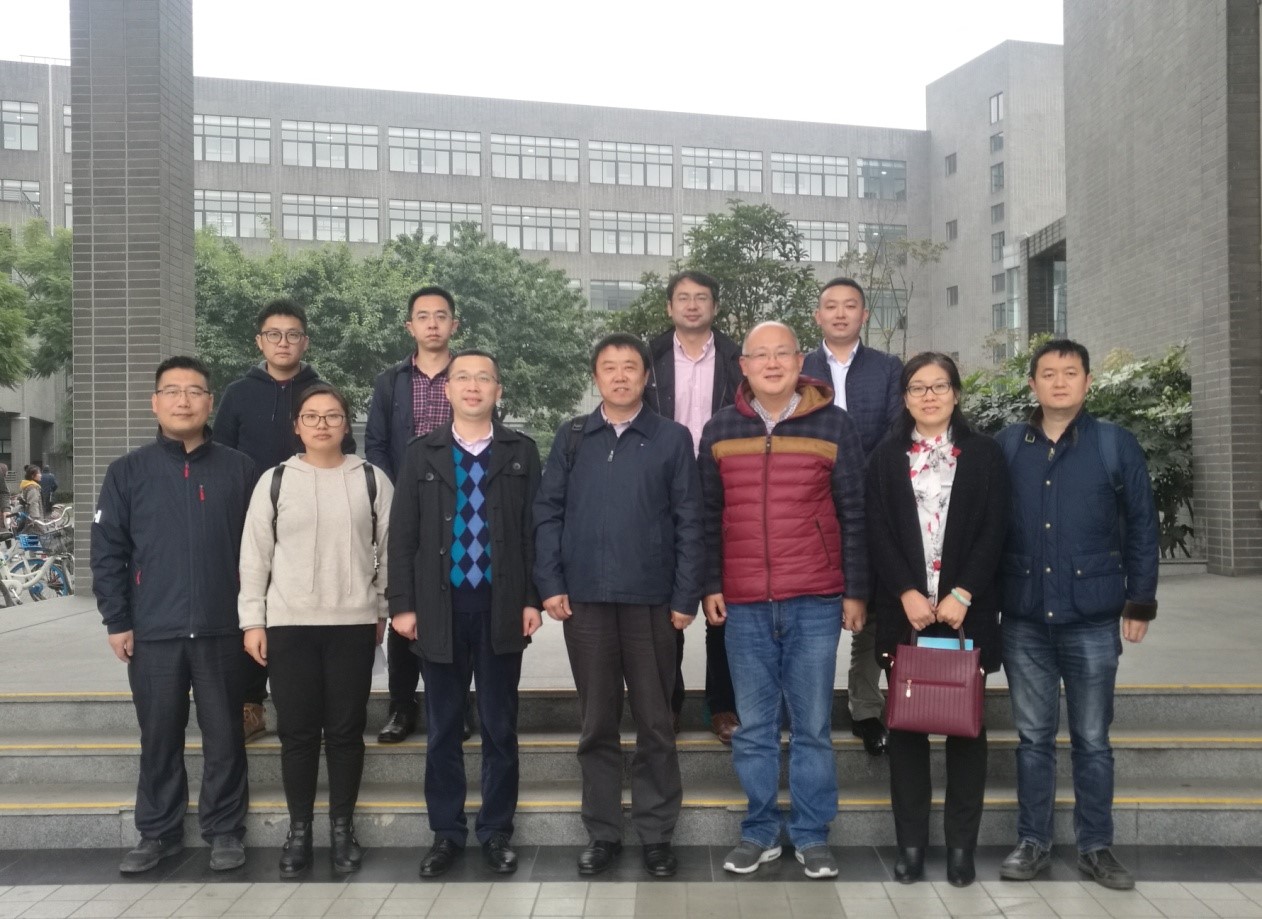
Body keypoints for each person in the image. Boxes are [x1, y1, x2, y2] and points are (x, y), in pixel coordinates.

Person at [700, 321, 868, 880]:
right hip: (744, 601)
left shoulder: (834, 423)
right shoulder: (720, 428)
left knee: (813, 725)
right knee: (754, 728)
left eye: (782, 354)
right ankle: (760, 831)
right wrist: (710, 583)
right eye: (760, 355)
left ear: (800, 362)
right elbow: (706, 514)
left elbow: (855, 514)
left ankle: (812, 835)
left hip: (815, 599)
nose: (771, 364)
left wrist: (856, 591)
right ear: (743, 366)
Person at [534, 332, 705, 879]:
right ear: (596, 377)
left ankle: (656, 834)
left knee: (656, 723)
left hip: (652, 603)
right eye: (609, 367)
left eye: (630, 366)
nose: (620, 376)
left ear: (646, 376)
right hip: (585, 602)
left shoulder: (672, 438)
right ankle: (603, 832)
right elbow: (547, 514)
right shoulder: (572, 437)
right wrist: (551, 583)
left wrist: (685, 595)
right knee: (596, 724)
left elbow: (690, 520)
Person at [996, 339, 1159, 891]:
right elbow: (986, 525)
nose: (1059, 382)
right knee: (1033, 738)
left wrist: (1140, 600)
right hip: (1024, 617)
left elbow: (1142, 525)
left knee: (1092, 739)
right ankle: (1033, 842)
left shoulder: (1114, 444)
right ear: (1032, 384)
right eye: (1048, 373)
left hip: (1092, 616)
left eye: (1070, 373)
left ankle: (1096, 847)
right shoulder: (1007, 445)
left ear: (1088, 382)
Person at [91, 356, 255, 875]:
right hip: (153, 630)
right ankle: (157, 832)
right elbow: (108, 552)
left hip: (223, 628)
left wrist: (256, 619)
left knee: (225, 736)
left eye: (194, 391)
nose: (183, 401)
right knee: (159, 735)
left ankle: (224, 829)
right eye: (172, 391)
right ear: (155, 402)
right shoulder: (127, 472)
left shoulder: (240, 469)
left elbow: (261, 552)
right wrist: (117, 620)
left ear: (210, 402)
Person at [388, 350, 542, 879]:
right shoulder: (421, 453)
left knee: (500, 727)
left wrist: (532, 598)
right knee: (443, 728)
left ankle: (496, 831)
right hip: (438, 612)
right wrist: (402, 605)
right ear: (447, 389)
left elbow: (532, 532)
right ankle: (446, 833)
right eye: (463, 378)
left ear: (498, 390)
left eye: (484, 378)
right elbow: (402, 535)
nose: (473, 386)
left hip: (501, 610)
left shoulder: (521, 451)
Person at [865, 353, 1008, 888]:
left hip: (965, 614)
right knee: (906, 732)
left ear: (956, 393)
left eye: (939, 386)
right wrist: (906, 591)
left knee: (966, 732)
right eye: (918, 387)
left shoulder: (985, 454)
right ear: (904, 398)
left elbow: (996, 528)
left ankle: (961, 848)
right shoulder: (885, 458)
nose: (929, 396)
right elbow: (876, 530)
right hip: (907, 616)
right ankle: (911, 845)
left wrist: (963, 592)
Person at [237, 383, 392, 878]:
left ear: (347, 424)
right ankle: (299, 831)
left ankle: (342, 830)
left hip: (352, 624)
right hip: (289, 625)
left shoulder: (371, 479)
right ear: (297, 426)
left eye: (332, 415)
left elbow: (390, 552)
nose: (322, 424)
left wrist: (381, 610)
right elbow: (255, 555)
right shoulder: (276, 480)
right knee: (298, 734)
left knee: (346, 732)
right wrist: (253, 620)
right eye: (311, 416)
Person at [213, 297, 354, 742]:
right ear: (260, 341)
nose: (283, 342)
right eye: (273, 334)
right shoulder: (238, 393)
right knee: (253, 607)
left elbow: (343, 451)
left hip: (312, 522)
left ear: (305, 341)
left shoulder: (320, 392)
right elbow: (220, 456)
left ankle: (319, 708)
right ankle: (250, 704)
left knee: (302, 614)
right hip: (250, 518)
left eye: (293, 335)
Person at [802, 277, 902, 758]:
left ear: (864, 315)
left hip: (873, 499)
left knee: (875, 609)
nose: (840, 314)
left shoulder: (887, 368)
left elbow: (896, 428)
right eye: (831, 306)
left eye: (850, 306)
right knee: (811, 609)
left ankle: (866, 709)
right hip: (809, 503)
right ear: (818, 316)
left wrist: (856, 474)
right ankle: (806, 710)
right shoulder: (800, 367)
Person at [644, 270, 744, 744]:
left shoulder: (737, 358)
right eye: (682, 298)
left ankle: (722, 706)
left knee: (725, 602)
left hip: (726, 480)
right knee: (671, 603)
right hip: (664, 485)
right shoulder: (649, 357)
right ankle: (668, 704)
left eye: (701, 297)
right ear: (669, 307)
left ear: (714, 307)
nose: (691, 305)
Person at [366, 286, 464, 745]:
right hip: (404, 506)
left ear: (453, 325)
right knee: (403, 600)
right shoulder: (390, 382)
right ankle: (401, 706)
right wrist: (397, 495)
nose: (432, 324)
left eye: (440, 316)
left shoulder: (467, 374)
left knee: (457, 603)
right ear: (410, 326)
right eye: (422, 316)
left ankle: (457, 706)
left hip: (460, 505)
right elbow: (376, 444)